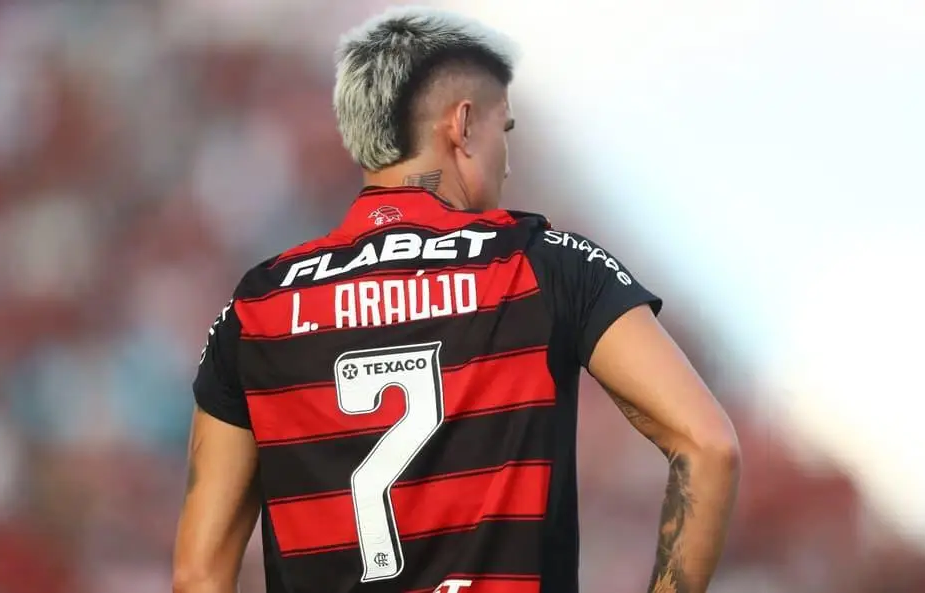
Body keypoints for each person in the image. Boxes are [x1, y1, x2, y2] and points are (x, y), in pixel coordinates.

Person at [172, 7, 741, 593]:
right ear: (463, 125)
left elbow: (198, 574)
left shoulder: (257, 306)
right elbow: (709, 446)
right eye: (504, 130)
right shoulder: (540, 264)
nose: (507, 163)